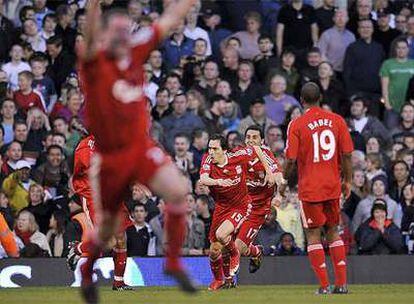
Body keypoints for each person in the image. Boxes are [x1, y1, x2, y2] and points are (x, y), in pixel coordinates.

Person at [78, 1, 198, 301]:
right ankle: (86, 271)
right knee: (107, 229)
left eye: (125, 31)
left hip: (140, 148)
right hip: (110, 156)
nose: (122, 37)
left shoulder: (136, 51)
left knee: (178, 191)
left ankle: (171, 262)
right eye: (115, 32)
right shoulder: (94, 62)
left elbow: (169, 19)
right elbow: (90, 36)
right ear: (106, 36)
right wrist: (93, 5)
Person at [279, 82, 354, 294]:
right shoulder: (337, 121)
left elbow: (291, 159)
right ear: (320, 98)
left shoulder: (297, 124)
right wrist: (347, 181)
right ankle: (341, 285)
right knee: (333, 232)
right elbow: (347, 155)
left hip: (310, 188)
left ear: (302, 101)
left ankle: (324, 286)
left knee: (313, 234)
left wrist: (283, 183)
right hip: (332, 187)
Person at [199, 134, 275, 290]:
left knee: (222, 235)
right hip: (221, 207)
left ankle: (234, 257)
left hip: (241, 206)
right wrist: (218, 181)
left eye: (215, 148)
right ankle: (219, 279)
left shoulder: (237, 156)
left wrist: (268, 171)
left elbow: (256, 149)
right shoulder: (207, 160)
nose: (211, 152)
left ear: (224, 150)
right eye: (210, 148)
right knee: (214, 251)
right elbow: (203, 179)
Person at [237, 125, 282, 274]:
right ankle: (255, 251)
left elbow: (277, 175)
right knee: (224, 242)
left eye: (254, 137)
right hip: (239, 206)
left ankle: (255, 252)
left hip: (257, 209)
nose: (251, 140)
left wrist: (278, 191)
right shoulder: (238, 154)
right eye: (248, 137)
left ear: (262, 140)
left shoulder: (266, 155)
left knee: (237, 248)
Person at [317, 9, 355, 76]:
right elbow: (321, 53)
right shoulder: (326, 34)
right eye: (338, 16)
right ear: (333, 19)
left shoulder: (351, 36)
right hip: (330, 72)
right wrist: (328, 69)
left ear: (347, 19)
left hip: (347, 72)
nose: (340, 19)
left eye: (343, 16)